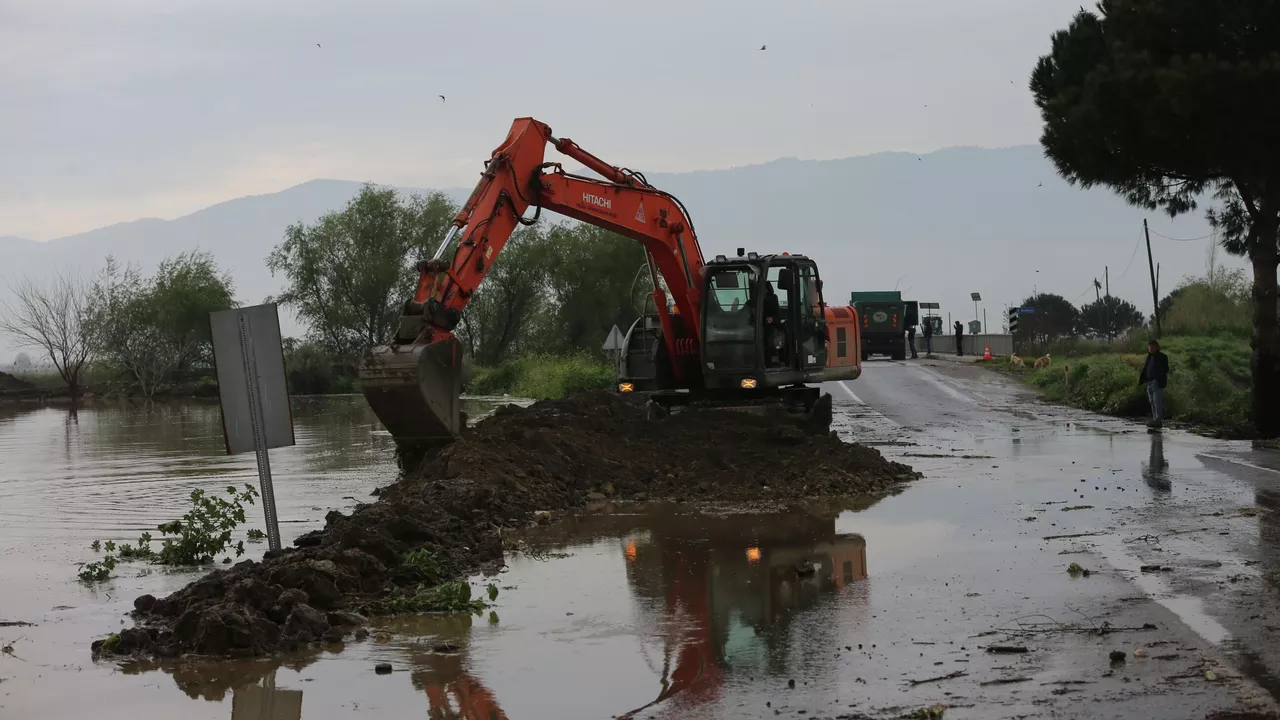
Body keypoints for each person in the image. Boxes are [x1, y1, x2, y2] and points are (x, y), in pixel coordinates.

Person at [1138, 338, 1170, 429]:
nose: (1151, 348)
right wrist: (1142, 379)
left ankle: (1158, 420)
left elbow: (1165, 369)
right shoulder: (1148, 357)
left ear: (1157, 347)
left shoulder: (1163, 357)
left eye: (1152, 346)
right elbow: (1145, 368)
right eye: (1149, 346)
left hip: (1157, 383)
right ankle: (1155, 419)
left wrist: (1157, 377)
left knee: (1157, 401)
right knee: (1151, 401)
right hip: (1149, 382)